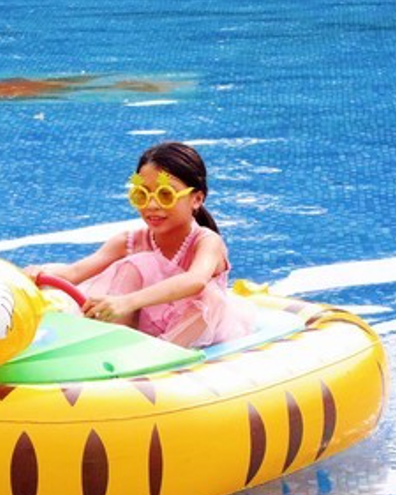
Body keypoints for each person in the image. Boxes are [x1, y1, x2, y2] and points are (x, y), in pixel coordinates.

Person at [25, 142, 255, 348]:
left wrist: (127, 302)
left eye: (166, 195)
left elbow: (195, 281)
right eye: (142, 195)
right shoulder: (129, 241)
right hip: (140, 326)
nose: (152, 205)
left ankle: (160, 353)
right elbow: (75, 272)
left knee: (208, 297)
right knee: (133, 266)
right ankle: (115, 343)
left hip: (197, 327)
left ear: (197, 199)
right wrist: (35, 275)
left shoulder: (207, 242)